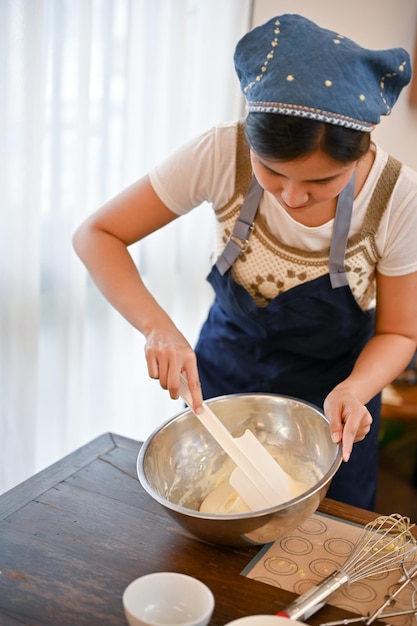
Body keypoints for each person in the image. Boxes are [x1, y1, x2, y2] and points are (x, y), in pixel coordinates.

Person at [73, 14, 417, 510]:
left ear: (360, 152)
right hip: (225, 377)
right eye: (272, 172)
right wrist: (158, 328)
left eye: (322, 182)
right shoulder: (222, 152)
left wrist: (356, 390)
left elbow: (400, 334)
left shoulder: (398, 198)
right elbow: (97, 234)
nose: (294, 197)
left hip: (335, 403)